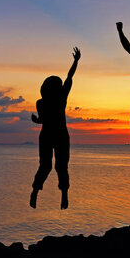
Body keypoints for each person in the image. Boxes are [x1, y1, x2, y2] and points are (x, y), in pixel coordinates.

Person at [30, 47, 81, 209]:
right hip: (58, 135)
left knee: (47, 166)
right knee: (60, 166)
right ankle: (62, 195)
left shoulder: (42, 102)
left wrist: (36, 120)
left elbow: (42, 120)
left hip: (48, 135)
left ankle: (37, 192)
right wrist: (75, 61)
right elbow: (69, 76)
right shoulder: (60, 98)